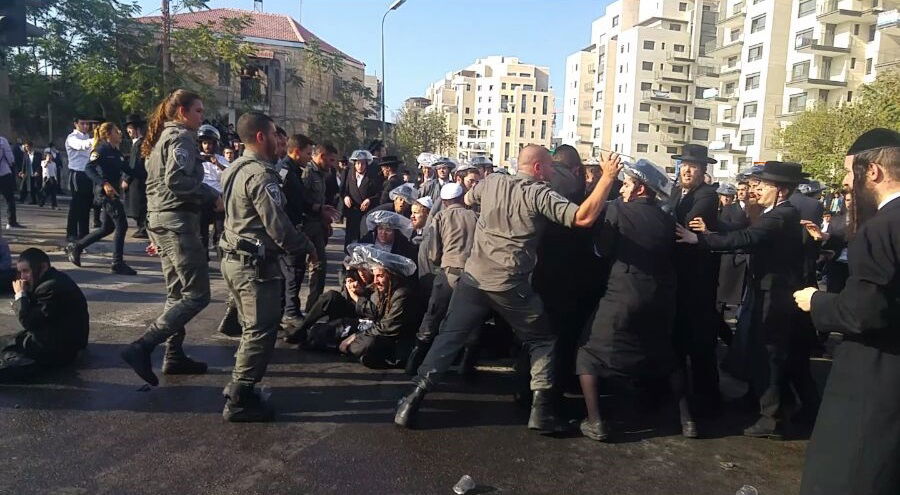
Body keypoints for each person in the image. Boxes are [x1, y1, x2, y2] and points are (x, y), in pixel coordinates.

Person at [395, 145, 622, 431]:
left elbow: (468, 197)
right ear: (538, 168)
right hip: (509, 284)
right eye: (550, 167)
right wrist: (607, 178)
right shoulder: (539, 193)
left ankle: (411, 402)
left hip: (473, 278)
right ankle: (542, 414)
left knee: (448, 338)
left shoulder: (492, 182)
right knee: (543, 340)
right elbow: (583, 217)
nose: (553, 173)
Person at [678, 161, 819, 439]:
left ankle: (772, 419)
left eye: (764, 185)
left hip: (775, 296)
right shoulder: (777, 212)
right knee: (759, 349)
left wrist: (701, 241)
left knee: (771, 354)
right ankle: (758, 399)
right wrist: (711, 233)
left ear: (782, 190)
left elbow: (747, 237)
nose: (757, 189)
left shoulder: (781, 215)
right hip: (764, 290)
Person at [793, 129, 900, 495]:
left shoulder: (882, 228)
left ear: (873, 172)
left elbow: (861, 314)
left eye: (848, 171)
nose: (843, 182)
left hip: (876, 378)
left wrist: (816, 301)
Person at [576, 159, 689, 441]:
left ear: (639, 188)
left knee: (588, 352)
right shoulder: (666, 218)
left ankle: (595, 422)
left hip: (624, 293)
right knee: (666, 355)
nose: (622, 189)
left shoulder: (617, 210)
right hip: (662, 296)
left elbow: (602, 250)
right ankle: (688, 420)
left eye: (626, 184)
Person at [218, 111, 317, 422]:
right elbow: (279, 228)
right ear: (261, 136)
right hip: (253, 267)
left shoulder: (234, 168)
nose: (280, 141)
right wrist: (308, 247)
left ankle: (239, 384)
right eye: (276, 135)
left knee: (252, 329)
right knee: (260, 331)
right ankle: (240, 397)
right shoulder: (260, 175)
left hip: (234, 259)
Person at [120, 89, 220, 386]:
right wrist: (210, 195)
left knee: (177, 294)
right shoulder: (180, 139)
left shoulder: (161, 138)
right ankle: (144, 346)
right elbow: (176, 181)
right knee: (197, 294)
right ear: (182, 112)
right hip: (177, 222)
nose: (202, 116)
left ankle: (174, 355)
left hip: (162, 220)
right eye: (199, 111)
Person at [666, 144, 722, 416]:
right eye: (684, 165)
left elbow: (685, 222)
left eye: (694, 166)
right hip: (677, 275)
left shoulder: (708, 195)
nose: (687, 170)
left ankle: (708, 399)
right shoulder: (676, 191)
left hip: (698, 278)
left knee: (700, 341)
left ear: (703, 171)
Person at [405, 183, 477, 375]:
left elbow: (434, 251)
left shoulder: (440, 216)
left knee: (433, 316)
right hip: (472, 276)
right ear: (462, 198)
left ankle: (415, 361)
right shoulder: (475, 217)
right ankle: (466, 366)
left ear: (444, 202)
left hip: (448, 273)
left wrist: (441, 260)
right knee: (471, 319)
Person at [0, 249, 89, 382]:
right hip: (54, 336)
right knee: (5, 342)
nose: (22, 277)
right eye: (20, 272)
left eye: (26, 271)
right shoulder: (51, 279)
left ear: (42, 267)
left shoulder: (51, 287)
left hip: (59, 347)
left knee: (10, 361)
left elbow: (29, 321)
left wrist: (20, 296)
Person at [66, 123, 137, 275]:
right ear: (108, 134)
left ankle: (77, 246)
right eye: (116, 131)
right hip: (105, 194)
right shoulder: (101, 150)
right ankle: (117, 263)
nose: (120, 134)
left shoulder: (116, 152)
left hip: (114, 193)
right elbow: (89, 168)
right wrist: (104, 184)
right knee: (122, 225)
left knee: (107, 228)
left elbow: (129, 169)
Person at [340, 246, 420, 368]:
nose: (376, 281)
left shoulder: (402, 294)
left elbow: (387, 327)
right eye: (375, 276)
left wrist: (357, 336)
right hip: (382, 333)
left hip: (397, 340)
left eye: (380, 276)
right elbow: (374, 311)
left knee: (367, 342)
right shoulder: (384, 289)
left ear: (391, 276)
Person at [277, 133, 315, 333]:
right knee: (292, 271)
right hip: (288, 230)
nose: (310, 157)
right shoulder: (284, 171)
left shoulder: (294, 170)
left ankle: (285, 310)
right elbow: (279, 202)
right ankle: (289, 311)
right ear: (297, 151)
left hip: (295, 225)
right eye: (308, 153)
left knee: (293, 271)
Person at [299, 142, 339, 311]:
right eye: (330, 160)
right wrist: (318, 210)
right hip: (305, 226)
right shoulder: (308, 172)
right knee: (301, 268)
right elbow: (300, 201)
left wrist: (325, 219)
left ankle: (312, 308)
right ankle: (291, 310)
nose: (332, 164)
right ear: (321, 156)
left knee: (319, 266)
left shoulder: (323, 173)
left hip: (318, 225)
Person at [197, 124, 227, 257]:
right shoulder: (195, 158)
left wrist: (218, 164)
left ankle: (223, 259)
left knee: (221, 231)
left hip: (219, 200)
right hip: (202, 197)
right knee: (201, 231)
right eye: (204, 143)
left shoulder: (222, 160)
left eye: (210, 143)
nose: (207, 146)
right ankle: (204, 259)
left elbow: (230, 175)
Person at [65, 117, 97, 239]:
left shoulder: (88, 137)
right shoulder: (72, 138)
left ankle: (84, 234)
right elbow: (82, 146)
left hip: (88, 174)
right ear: (76, 124)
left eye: (87, 124)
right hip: (77, 174)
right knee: (76, 205)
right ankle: (71, 233)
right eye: (82, 123)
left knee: (87, 206)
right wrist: (97, 138)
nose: (85, 126)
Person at [342, 150, 379, 248]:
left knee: (364, 239)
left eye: (362, 163)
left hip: (366, 213)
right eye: (357, 163)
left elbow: (378, 193)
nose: (360, 166)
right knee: (351, 238)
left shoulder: (373, 176)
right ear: (354, 164)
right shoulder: (349, 174)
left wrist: (369, 200)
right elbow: (344, 190)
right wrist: (346, 197)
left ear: (366, 164)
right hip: (352, 212)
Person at [123, 114, 149, 239]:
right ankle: (142, 227)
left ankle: (143, 228)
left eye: (130, 128)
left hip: (138, 178)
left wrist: (126, 179)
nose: (128, 131)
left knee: (139, 204)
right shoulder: (137, 143)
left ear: (137, 129)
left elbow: (135, 164)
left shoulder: (140, 144)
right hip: (137, 178)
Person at [0, 134, 23, 229]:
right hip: (4, 173)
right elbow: (10, 158)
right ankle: (11, 222)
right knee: (9, 199)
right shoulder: (2, 141)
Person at [17, 140, 42, 205]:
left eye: (27, 146)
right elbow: (24, 164)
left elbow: (40, 164)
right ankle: (21, 199)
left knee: (35, 187)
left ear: (31, 147)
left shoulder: (38, 154)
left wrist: (37, 171)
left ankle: (38, 201)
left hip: (35, 173)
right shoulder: (25, 155)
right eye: (25, 147)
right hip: (27, 173)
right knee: (23, 186)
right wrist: (22, 172)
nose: (26, 148)